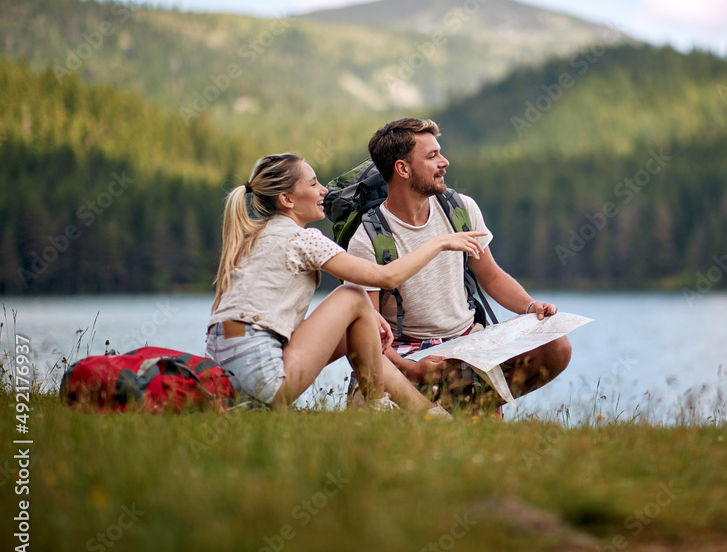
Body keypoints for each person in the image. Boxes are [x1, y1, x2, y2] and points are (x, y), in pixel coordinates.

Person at [206, 152, 487, 414]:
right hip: (265, 377)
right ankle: (388, 407)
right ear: (287, 200)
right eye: (314, 184)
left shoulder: (254, 237)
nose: (324, 191)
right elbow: (386, 276)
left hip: (227, 380)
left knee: (357, 319)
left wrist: (366, 319)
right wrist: (439, 242)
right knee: (352, 294)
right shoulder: (301, 238)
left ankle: (422, 412)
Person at [347, 118, 572, 411]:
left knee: (557, 346)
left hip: (468, 343)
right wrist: (411, 369)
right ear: (402, 169)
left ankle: (472, 407)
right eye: (432, 157)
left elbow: (490, 276)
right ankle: (446, 406)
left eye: (440, 152)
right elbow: (365, 333)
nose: (445, 162)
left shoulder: (461, 208)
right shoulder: (368, 238)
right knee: (369, 410)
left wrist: (531, 307)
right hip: (406, 352)